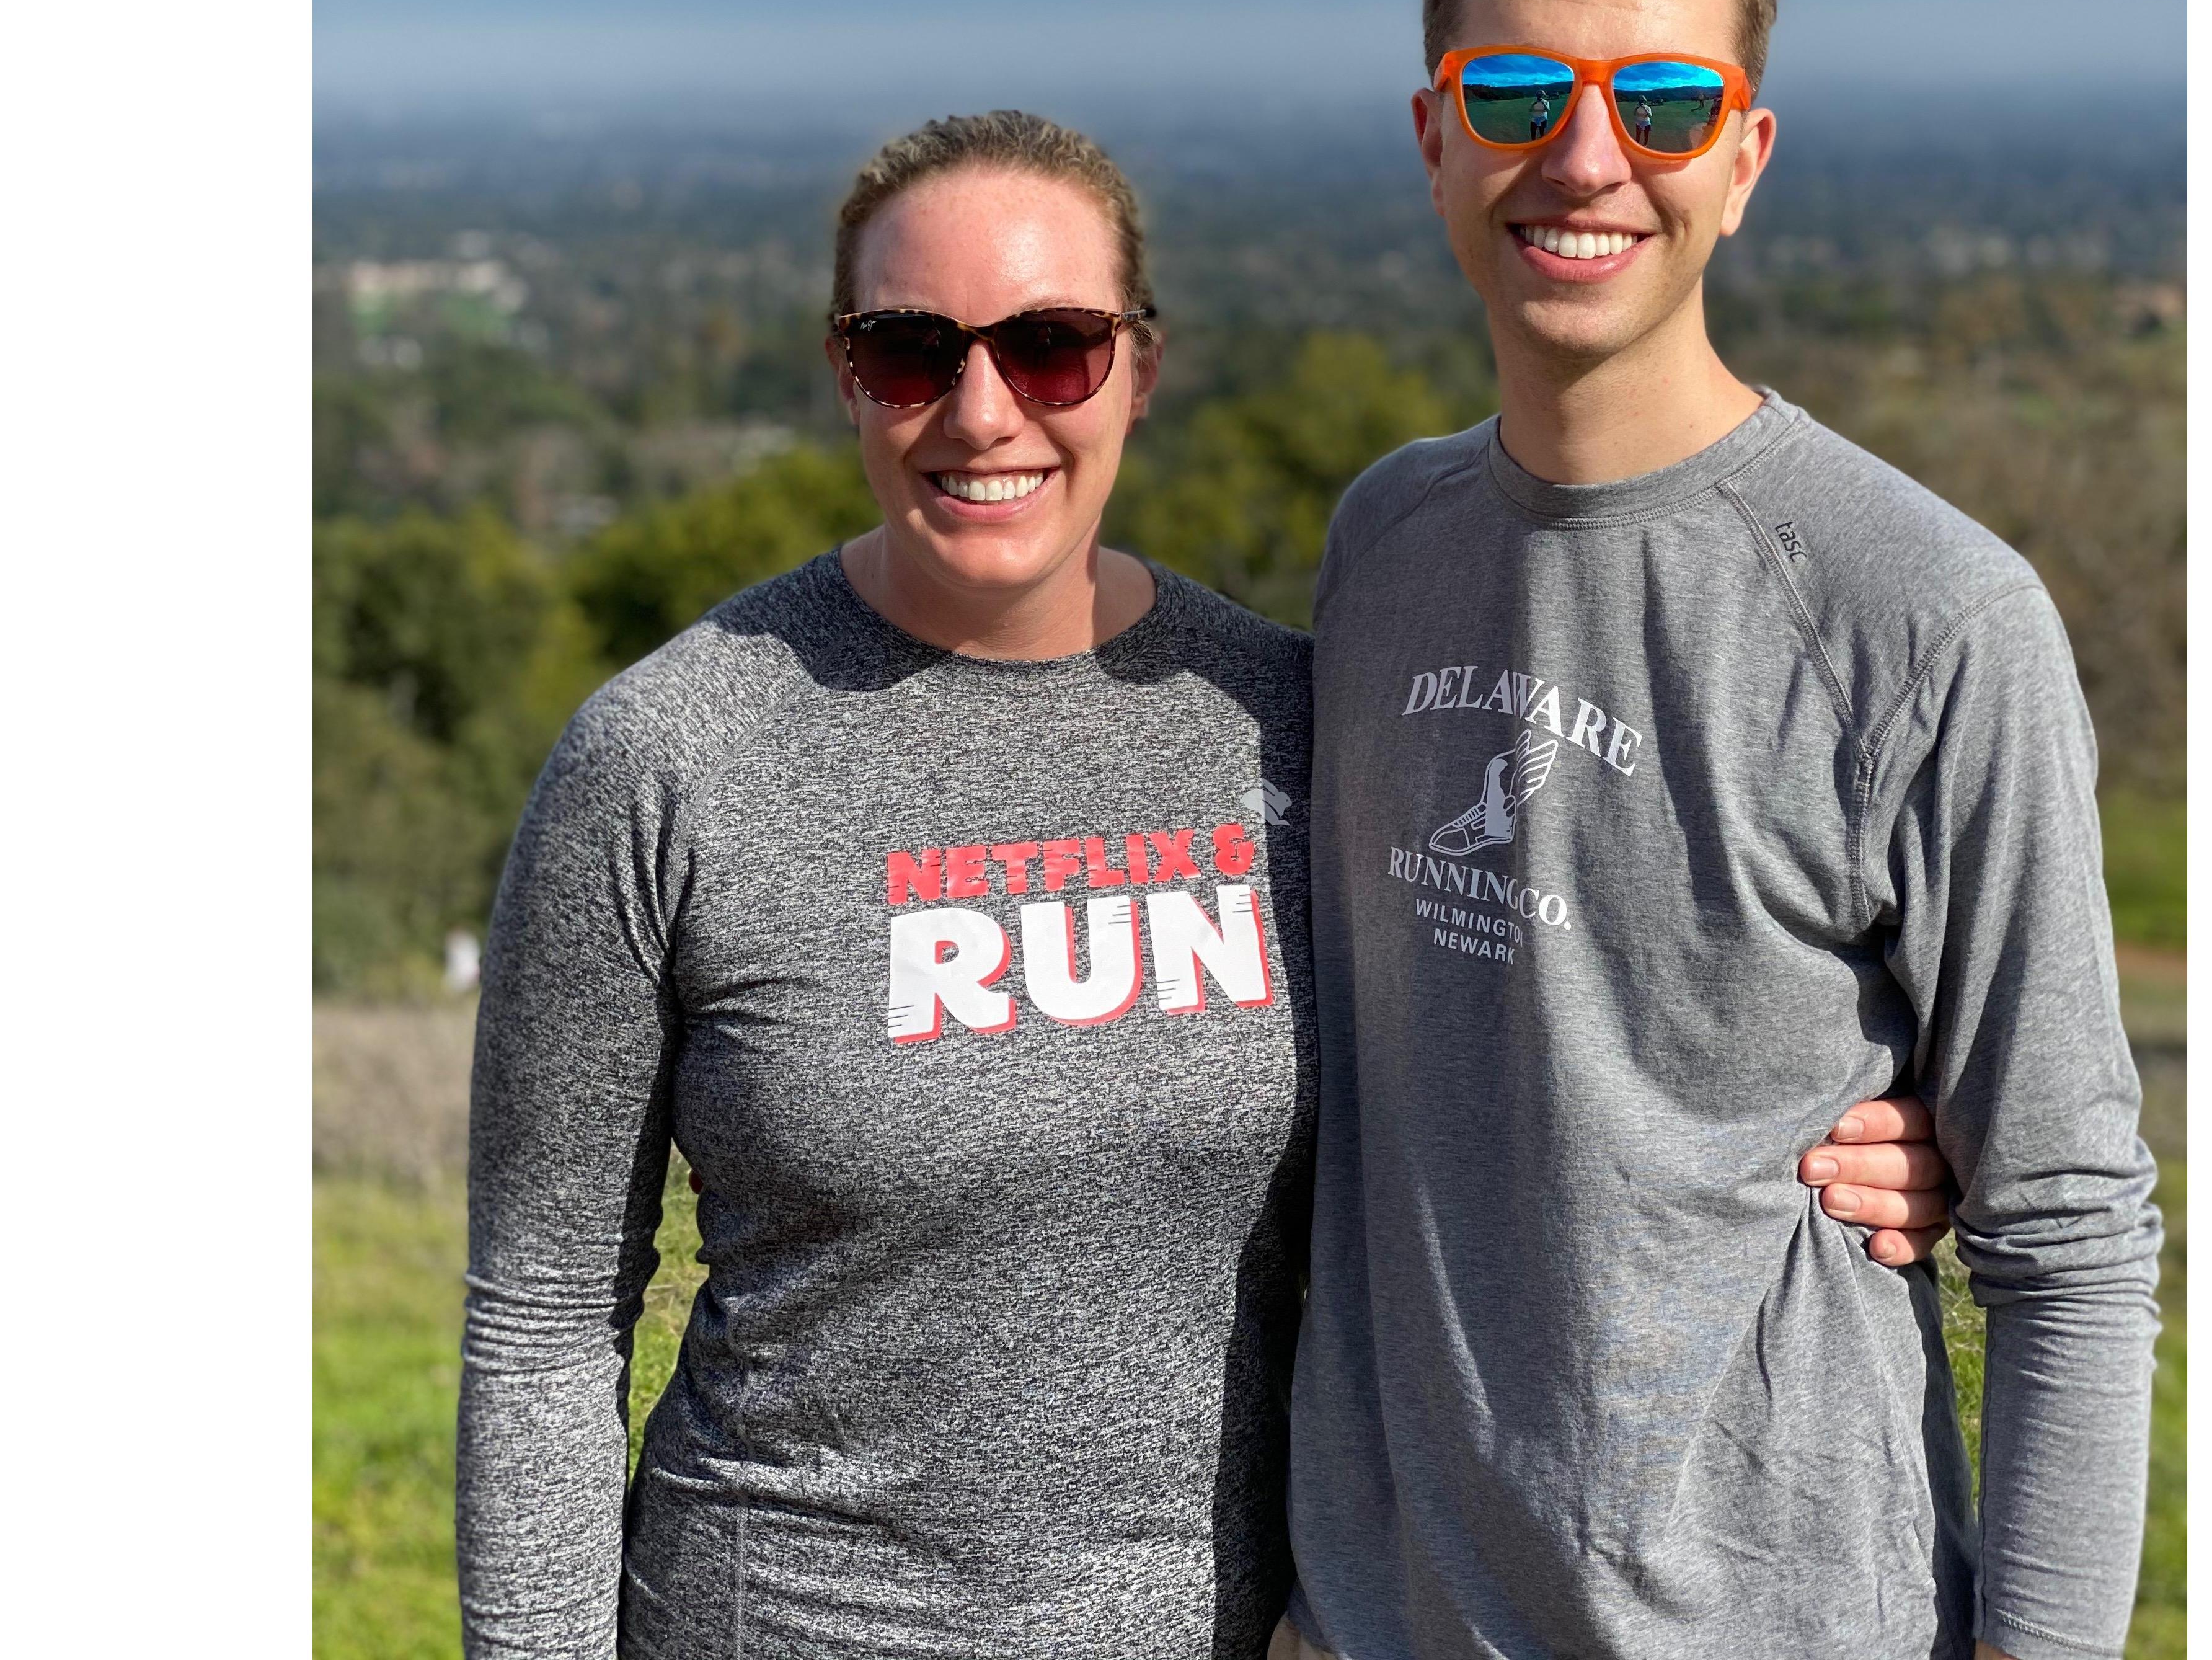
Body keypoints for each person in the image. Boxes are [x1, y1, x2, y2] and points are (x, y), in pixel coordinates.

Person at [456, 106, 1937, 1659]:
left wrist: (1875, 1126)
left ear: (1141, 368)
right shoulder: (670, 759)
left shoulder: (1300, 720)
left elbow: (1573, 1010)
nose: (982, 411)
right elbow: (544, 1320)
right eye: (910, 350)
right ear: (847, 374)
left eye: (1052, 347)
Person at [1281, 0, 2163, 1660]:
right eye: (1521, 95)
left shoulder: (1925, 614)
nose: (1586, 160)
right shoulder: (1386, 542)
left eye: (1662, 103)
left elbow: (2072, 1244)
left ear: (1745, 154)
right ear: (1438, 136)